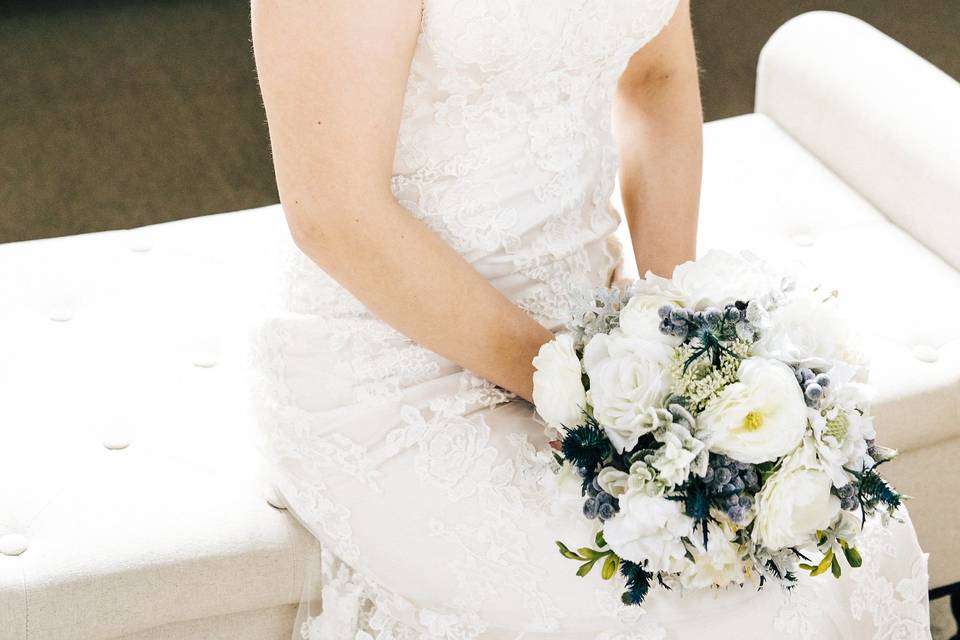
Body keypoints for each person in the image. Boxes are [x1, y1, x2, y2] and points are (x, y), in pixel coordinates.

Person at [247, 1, 931, 638]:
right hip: (392, 365)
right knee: (680, 616)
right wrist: (579, 390)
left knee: (863, 542)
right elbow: (335, 216)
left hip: (600, 328)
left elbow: (656, 78)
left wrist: (683, 347)